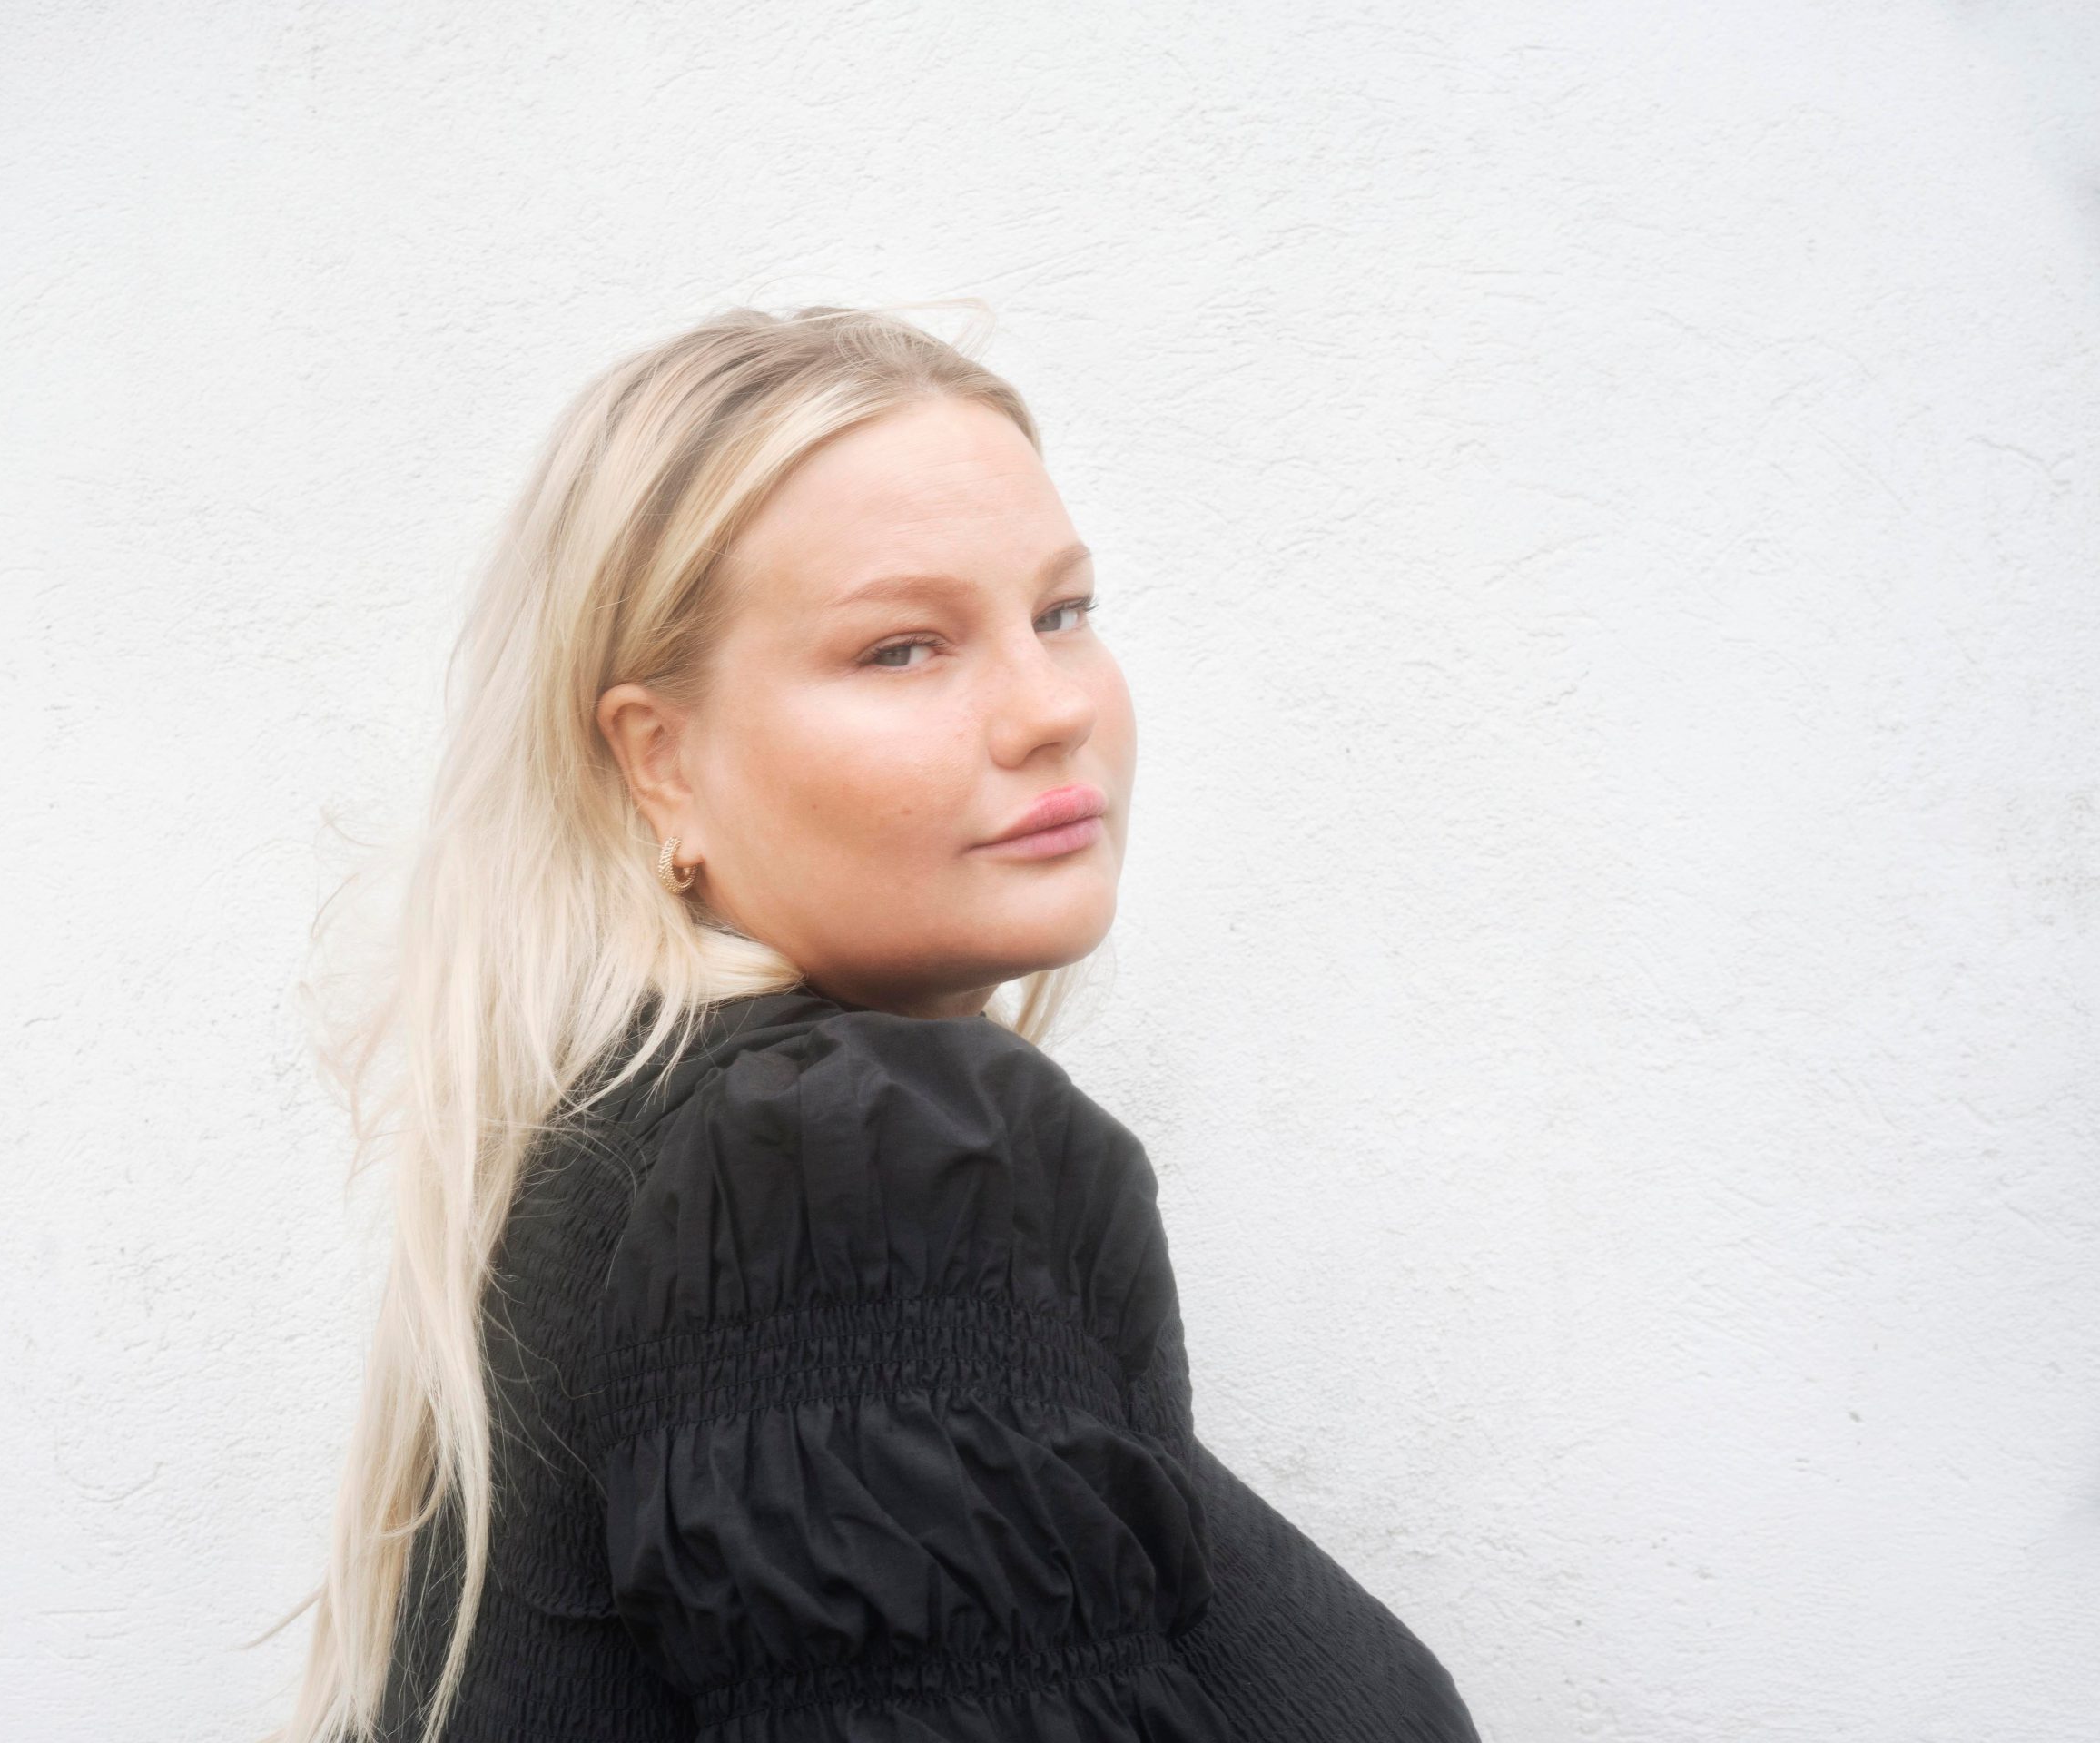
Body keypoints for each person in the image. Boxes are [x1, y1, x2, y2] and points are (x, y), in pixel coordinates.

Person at [267, 305, 1480, 1742]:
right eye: (904, 648)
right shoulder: (836, 1164)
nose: (1050, 710)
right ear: (660, 763)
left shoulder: (673, 1146)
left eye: (1063, 613)